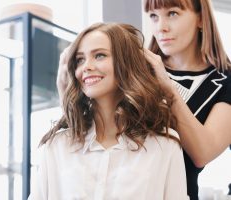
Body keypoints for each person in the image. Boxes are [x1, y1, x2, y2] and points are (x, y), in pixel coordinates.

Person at [30, 22, 189, 200]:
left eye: (99, 55)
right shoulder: (55, 148)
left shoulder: (164, 147)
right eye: (80, 59)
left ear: (126, 64)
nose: (87, 66)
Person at [143, 0, 231, 199]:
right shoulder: (138, 71)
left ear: (201, 18)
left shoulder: (226, 82)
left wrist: (168, 88)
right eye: (154, 16)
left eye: (172, 13)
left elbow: (203, 152)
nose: (161, 27)